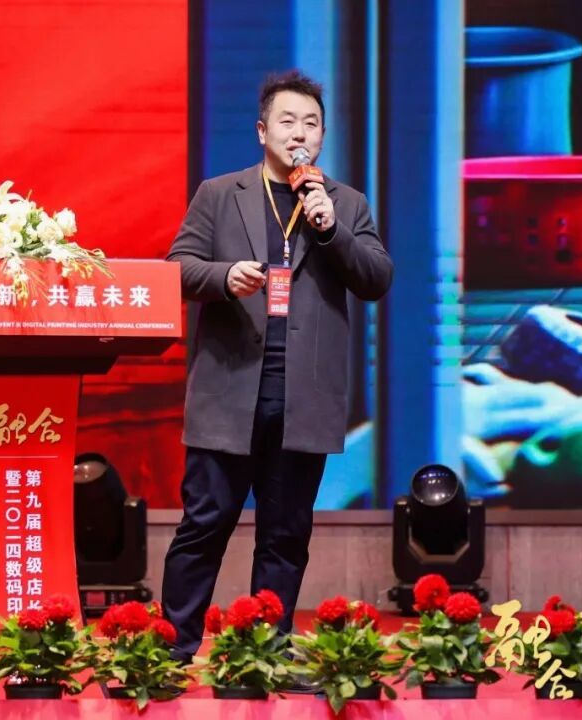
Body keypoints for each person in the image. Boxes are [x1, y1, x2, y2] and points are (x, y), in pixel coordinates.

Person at [161, 69, 393, 664]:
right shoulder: (221, 193)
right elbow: (177, 267)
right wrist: (223, 276)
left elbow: (376, 278)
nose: (300, 133)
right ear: (262, 130)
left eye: (311, 124)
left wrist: (331, 229)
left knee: (286, 533)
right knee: (204, 524)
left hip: (304, 397)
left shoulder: (344, 203)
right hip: (230, 389)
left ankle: (264, 653)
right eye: (287, 121)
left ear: (322, 137)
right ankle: (173, 651)